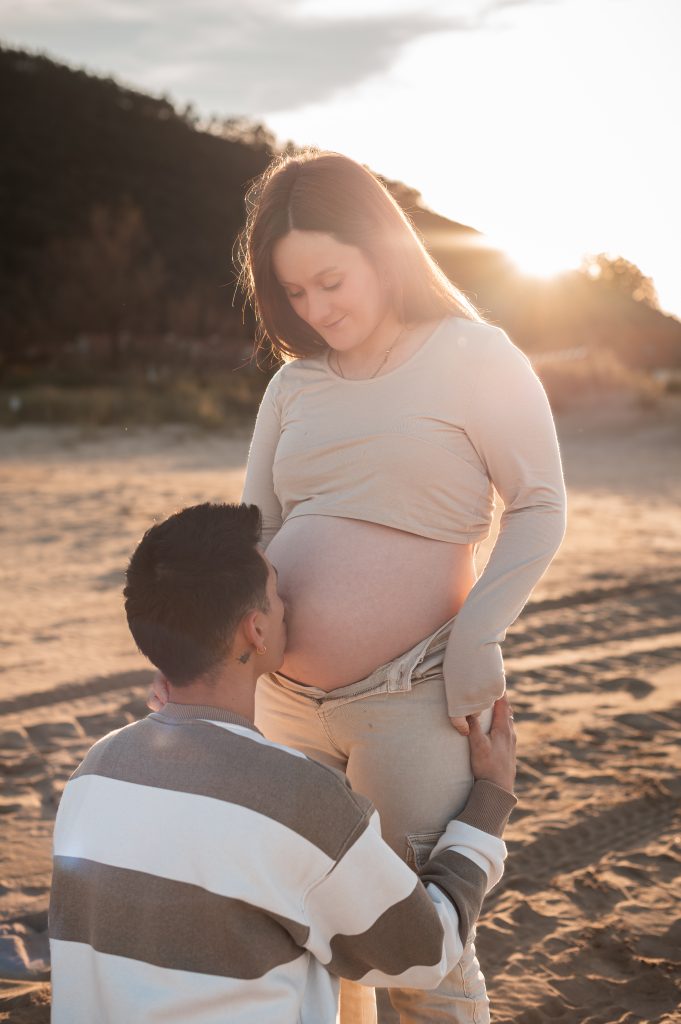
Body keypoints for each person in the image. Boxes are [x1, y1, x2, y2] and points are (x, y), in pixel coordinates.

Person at [234, 149, 567, 1023]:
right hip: (286, 706)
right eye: (293, 293)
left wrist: (477, 638)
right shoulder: (292, 384)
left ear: (384, 249)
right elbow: (255, 534)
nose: (315, 309)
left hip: (412, 693)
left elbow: (537, 505)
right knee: (316, 944)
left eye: (330, 280)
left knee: (421, 955)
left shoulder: (472, 354)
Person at [50, 502, 517, 1024]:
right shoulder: (297, 797)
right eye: (277, 592)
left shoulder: (94, 773)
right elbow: (429, 951)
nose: (289, 602)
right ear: (255, 630)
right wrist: (491, 800)